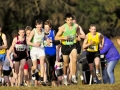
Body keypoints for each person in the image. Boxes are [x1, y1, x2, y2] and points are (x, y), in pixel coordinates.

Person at [55, 13, 81, 85]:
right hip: (65, 46)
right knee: (66, 64)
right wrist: (63, 37)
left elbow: (78, 29)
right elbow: (56, 37)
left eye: (71, 20)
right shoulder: (63, 27)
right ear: (66, 21)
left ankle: (73, 77)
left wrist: (78, 36)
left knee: (74, 60)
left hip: (73, 45)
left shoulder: (75, 26)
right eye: (68, 20)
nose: (70, 21)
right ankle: (65, 77)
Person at [27, 19, 45, 85]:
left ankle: (42, 79)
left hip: (41, 49)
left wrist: (48, 40)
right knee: (35, 67)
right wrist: (35, 44)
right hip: (34, 50)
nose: (40, 28)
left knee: (42, 63)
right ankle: (32, 71)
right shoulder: (33, 31)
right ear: (36, 26)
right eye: (38, 27)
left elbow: (45, 37)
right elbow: (28, 42)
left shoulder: (43, 30)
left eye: (41, 27)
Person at [44, 20, 60, 86]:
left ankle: (53, 77)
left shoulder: (53, 32)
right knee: (48, 65)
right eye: (45, 28)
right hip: (46, 53)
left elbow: (58, 42)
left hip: (53, 53)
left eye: (48, 27)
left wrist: (52, 41)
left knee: (52, 67)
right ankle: (48, 80)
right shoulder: (42, 33)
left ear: (50, 27)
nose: (46, 29)